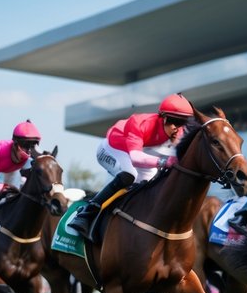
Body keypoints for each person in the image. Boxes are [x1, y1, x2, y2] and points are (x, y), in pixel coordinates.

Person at [70, 93, 194, 242]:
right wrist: (164, 162)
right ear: (164, 118)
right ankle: (87, 213)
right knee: (129, 175)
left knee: (150, 186)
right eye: (175, 122)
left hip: (136, 151)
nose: (178, 128)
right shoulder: (140, 123)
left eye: (183, 123)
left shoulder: (178, 131)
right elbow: (136, 159)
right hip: (112, 148)